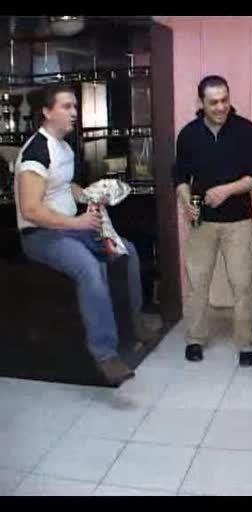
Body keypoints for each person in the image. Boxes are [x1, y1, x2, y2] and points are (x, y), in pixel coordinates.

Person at [14, 84, 161, 386]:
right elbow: (30, 210)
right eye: (66, 107)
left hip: (69, 228)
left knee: (126, 250)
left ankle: (135, 322)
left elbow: (61, 184)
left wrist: (86, 194)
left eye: (74, 107)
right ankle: (105, 354)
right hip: (41, 235)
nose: (74, 113)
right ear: (47, 112)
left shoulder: (63, 147)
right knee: (90, 269)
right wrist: (78, 223)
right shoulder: (35, 153)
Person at [174, 75, 252, 366]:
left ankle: (246, 343)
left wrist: (226, 190)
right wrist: (186, 201)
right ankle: (195, 339)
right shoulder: (188, 134)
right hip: (201, 222)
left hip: (238, 221)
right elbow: (180, 177)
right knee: (197, 283)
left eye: (224, 100)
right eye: (213, 102)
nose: (220, 107)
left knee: (243, 285)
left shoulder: (246, 130)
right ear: (201, 103)